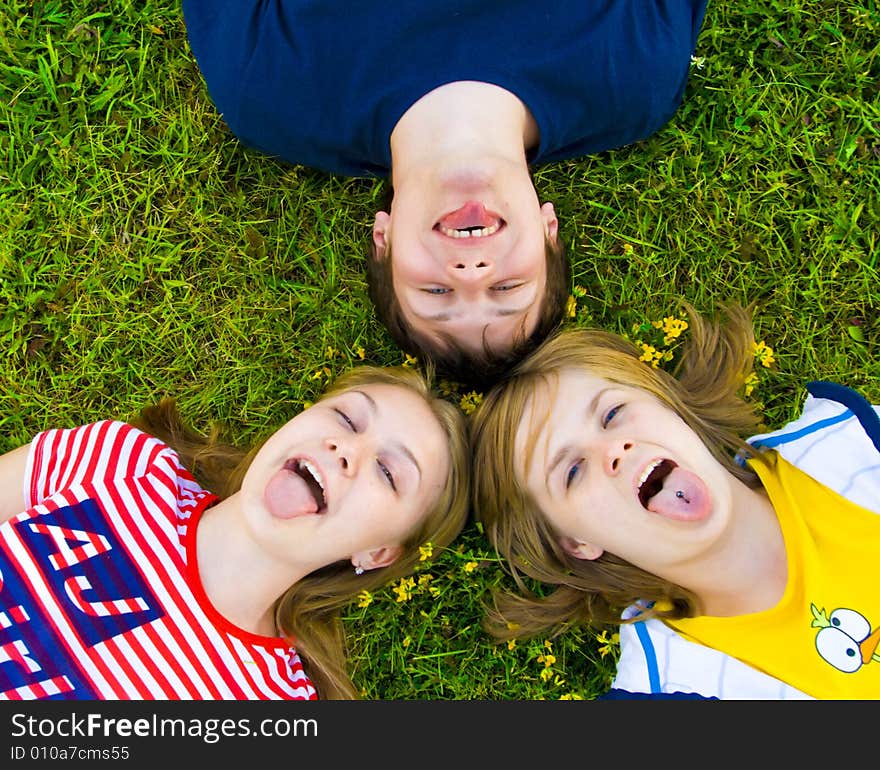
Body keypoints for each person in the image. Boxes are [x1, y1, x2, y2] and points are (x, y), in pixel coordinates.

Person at [180, 0, 709, 386]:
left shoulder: (273, 95)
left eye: (435, 295)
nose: (472, 275)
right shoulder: (636, 74)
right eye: (508, 290)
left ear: (382, 242)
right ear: (550, 231)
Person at [469, 304, 880, 699]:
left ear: (670, 407)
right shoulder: (670, 687)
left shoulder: (855, 443)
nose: (614, 450)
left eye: (612, 414)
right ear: (575, 543)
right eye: (572, 471)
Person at [0, 365, 471, 700]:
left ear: (378, 552)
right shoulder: (122, 465)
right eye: (347, 418)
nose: (345, 448)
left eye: (388, 472)